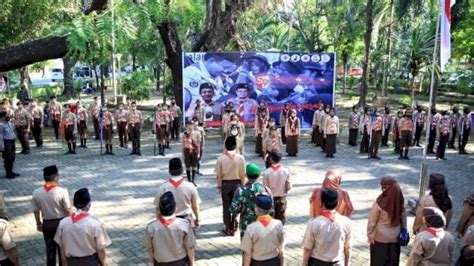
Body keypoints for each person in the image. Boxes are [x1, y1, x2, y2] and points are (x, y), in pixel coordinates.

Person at [54, 188, 112, 266]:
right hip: (90, 262)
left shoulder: (63, 223)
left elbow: (61, 247)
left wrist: (64, 262)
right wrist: (104, 264)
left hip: (72, 261)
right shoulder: (95, 224)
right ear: (89, 204)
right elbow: (101, 249)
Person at [32, 165, 72, 266]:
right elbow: (68, 210)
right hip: (61, 224)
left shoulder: (36, 193)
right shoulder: (62, 191)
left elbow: (36, 210)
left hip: (47, 225)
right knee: (63, 252)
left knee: (50, 251)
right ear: (56, 177)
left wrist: (38, 223)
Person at [302, 189, 352, 266]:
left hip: (316, 262)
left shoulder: (314, 223)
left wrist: (304, 263)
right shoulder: (346, 222)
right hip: (337, 263)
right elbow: (347, 247)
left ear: (321, 203)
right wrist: (347, 264)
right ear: (337, 203)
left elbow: (308, 247)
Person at [146, 191, 196, 266]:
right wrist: (192, 263)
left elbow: (150, 248)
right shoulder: (184, 225)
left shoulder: (151, 227)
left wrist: (151, 262)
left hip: (160, 263)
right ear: (175, 209)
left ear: (159, 209)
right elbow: (190, 247)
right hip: (180, 262)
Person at [367, 177, 407, 266]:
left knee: (378, 262)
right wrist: (404, 229)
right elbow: (404, 219)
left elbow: (372, 221)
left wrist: (370, 234)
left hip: (379, 238)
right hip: (395, 238)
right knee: (393, 262)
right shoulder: (400, 201)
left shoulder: (380, 203)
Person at [154, 158, 201, 227]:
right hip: (187, 220)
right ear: (182, 170)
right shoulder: (190, 186)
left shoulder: (163, 188)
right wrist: (197, 219)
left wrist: (158, 222)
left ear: (169, 171)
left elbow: (158, 208)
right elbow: (195, 206)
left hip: (168, 223)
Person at [214, 136, 246, 236]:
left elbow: (218, 175)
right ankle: (234, 226)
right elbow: (243, 174)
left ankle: (227, 227)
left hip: (225, 184)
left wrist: (219, 186)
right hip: (237, 184)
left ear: (225, 146)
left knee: (226, 206)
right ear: (235, 146)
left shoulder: (221, 159)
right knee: (236, 205)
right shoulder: (240, 158)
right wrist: (243, 185)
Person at [230, 163, 271, 239]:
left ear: (246, 175)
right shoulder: (266, 189)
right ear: (259, 176)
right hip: (262, 223)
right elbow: (271, 208)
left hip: (246, 224)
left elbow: (233, 209)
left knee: (247, 247)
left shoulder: (240, 190)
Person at [241, 194, 285, 266]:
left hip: (257, 262)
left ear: (256, 209)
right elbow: (281, 250)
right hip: (274, 261)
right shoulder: (278, 224)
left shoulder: (251, 228)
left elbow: (247, 254)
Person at [262, 151, 291, 225]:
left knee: (270, 220)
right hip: (282, 198)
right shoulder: (286, 171)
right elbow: (289, 186)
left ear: (271, 159)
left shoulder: (267, 172)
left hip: (270, 199)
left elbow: (265, 188)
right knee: (281, 219)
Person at [0, 111, 19, 179]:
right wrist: (1, 145)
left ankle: (11, 171)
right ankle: (8, 173)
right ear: (2, 117)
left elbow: (12, 131)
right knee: (8, 158)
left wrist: (14, 137)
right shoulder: (1, 125)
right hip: (6, 143)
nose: (8, 116)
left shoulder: (8, 122)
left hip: (12, 142)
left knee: (12, 157)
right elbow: (0, 135)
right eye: (6, 115)